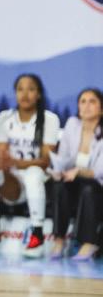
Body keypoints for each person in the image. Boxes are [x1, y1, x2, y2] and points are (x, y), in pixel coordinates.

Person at [0, 75, 60, 257]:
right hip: (12, 178)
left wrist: (17, 163)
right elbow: (2, 153)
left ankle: (37, 235)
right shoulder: (5, 117)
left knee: (33, 173)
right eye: (20, 89)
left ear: (39, 94)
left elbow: (45, 161)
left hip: (39, 178)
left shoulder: (49, 119)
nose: (25, 94)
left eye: (31, 89)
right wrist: (2, 163)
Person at [51, 89, 103, 261]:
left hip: (98, 186)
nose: (86, 106)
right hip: (75, 182)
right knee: (59, 186)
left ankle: (89, 242)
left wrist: (78, 171)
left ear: (101, 109)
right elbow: (64, 158)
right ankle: (59, 240)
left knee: (89, 189)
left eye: (92, 101)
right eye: (83, 101)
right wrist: (59, 171)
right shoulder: (72, 125)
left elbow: (99, 171)